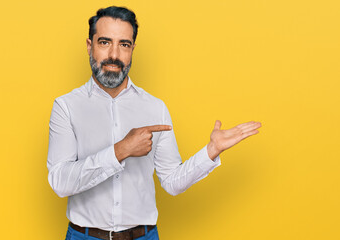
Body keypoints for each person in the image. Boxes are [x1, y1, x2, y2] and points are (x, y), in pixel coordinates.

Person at [47, 6, 262, 240]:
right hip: (84, 236)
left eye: (124, 44)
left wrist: (211, 152)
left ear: (132, 49)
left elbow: (171, 182)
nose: (114, 55)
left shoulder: (154, 107)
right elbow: (60, 182)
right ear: (90, 46)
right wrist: (121, 150)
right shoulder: (66, 107)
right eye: (105, 42)